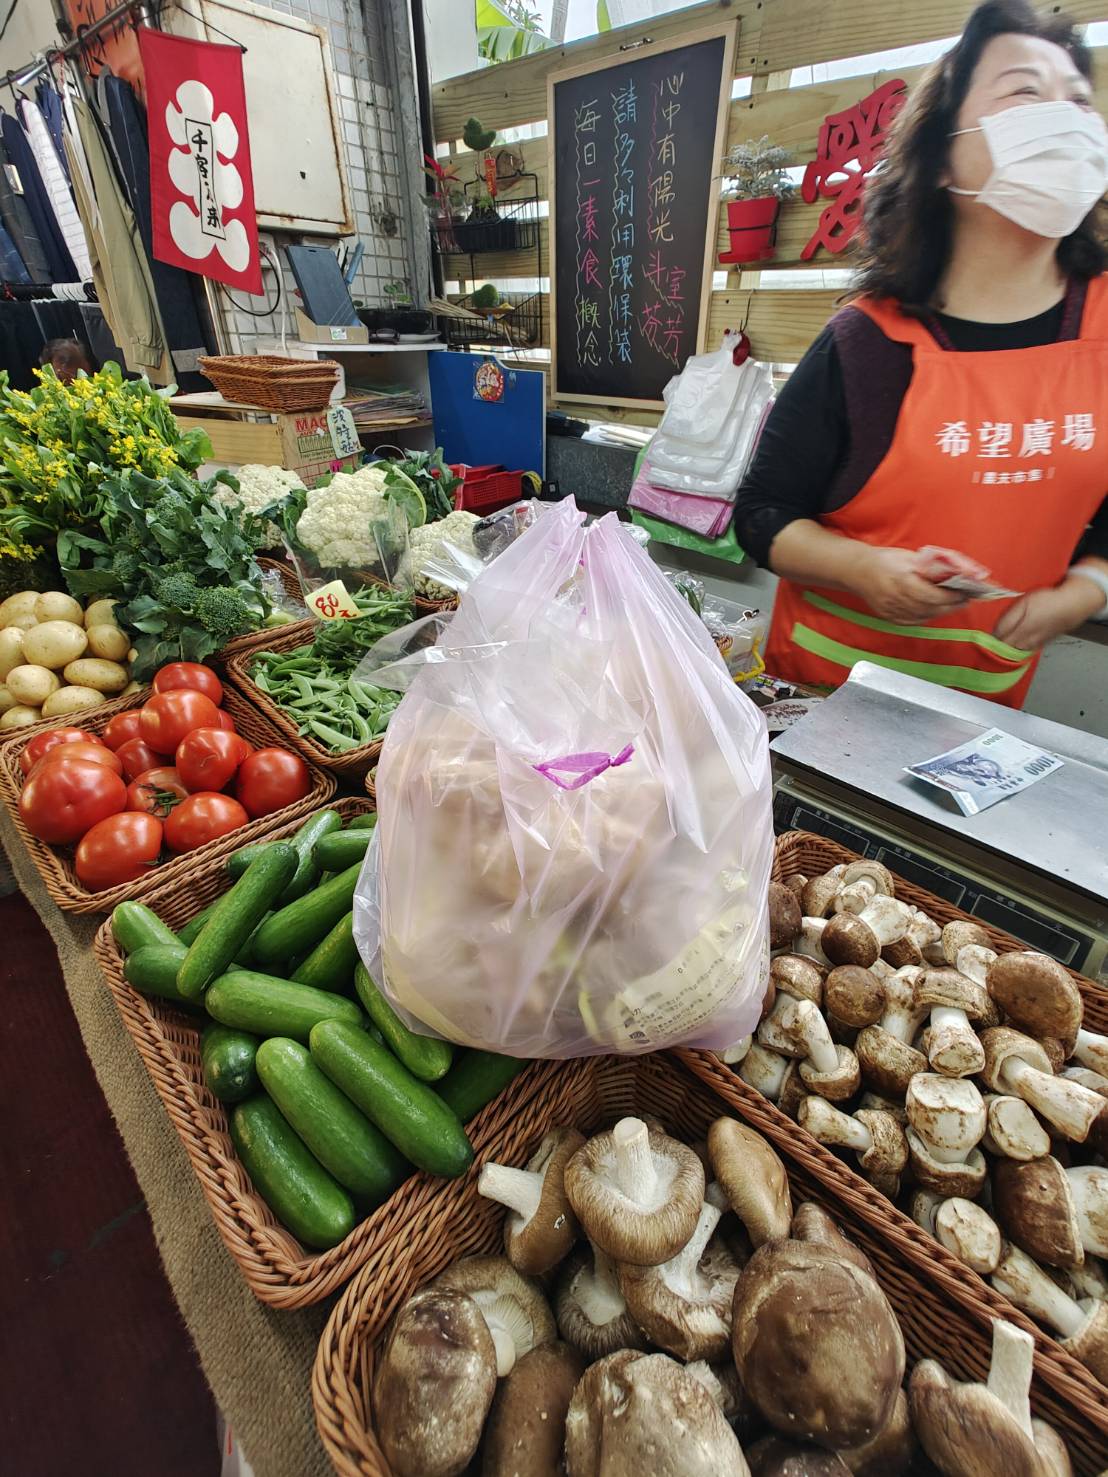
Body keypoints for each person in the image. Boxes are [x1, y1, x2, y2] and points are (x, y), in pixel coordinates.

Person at [733, 0, 1108, 708]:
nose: (1063, 118)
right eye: (1026, 91)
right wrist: (862, 567)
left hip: (982, 718)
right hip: (819, 706)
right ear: (940, 157)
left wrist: (1086, 589)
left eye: (1079, 101)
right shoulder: (868, 342)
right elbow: (761, 513)